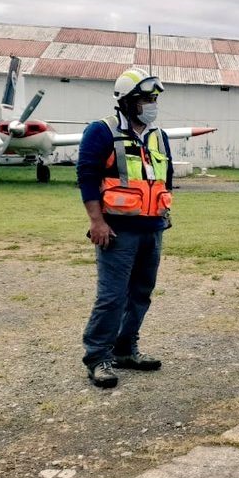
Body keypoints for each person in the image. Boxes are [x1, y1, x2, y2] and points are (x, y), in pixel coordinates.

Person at [77, 68, 173, 388]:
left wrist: (165, 211)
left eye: (154, 99)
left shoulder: (158, 135)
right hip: (117, 230)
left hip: (152, 227)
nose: (152, 104)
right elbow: (87, 177)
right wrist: (96, 221)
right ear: (127, 102)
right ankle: (97, 356)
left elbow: (163, 177)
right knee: (112, 296)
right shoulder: (101, 132)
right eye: (146, 99)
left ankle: (124, 348)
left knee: (141, 293)